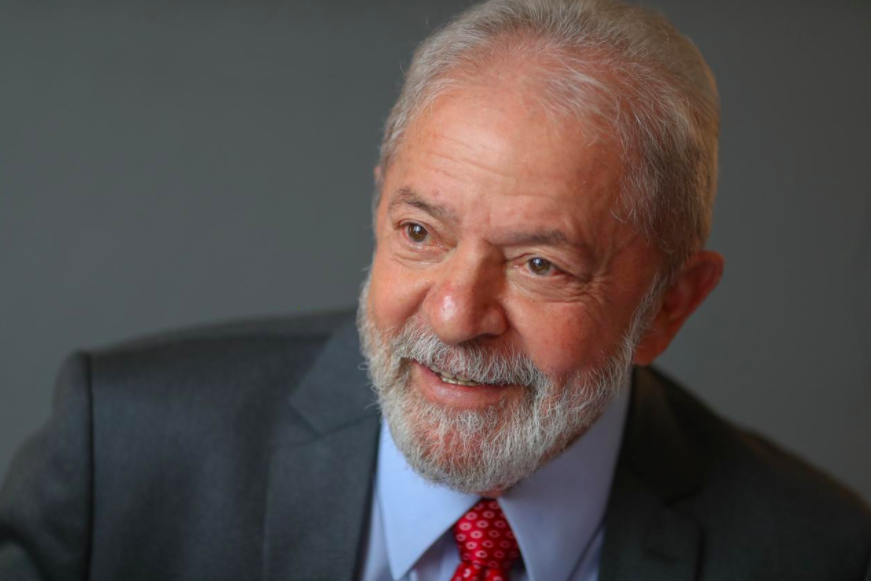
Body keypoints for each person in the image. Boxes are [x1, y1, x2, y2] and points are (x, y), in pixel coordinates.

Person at [1, 0, 869, 579]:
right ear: (379, 203)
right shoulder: (121, 455)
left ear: (670, 303)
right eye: (420, 232)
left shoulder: (815, 552)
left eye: (539, 264)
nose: (455, 316)